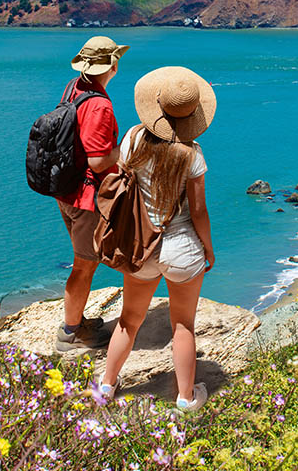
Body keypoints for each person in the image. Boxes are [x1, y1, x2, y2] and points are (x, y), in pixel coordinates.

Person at [99, 66, 216, 412]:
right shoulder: (192, 155)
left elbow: (124, 182)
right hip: (183, 251)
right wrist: (208, 250)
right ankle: (185, 398)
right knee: (183, 324)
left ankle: (107, 386)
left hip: (142, 247)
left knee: (129, 319)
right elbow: (198, 213)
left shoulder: (134, 139)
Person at [55, 36, 129, 353]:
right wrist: (124, 149)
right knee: (84, 266)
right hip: (87, 199)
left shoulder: (75, 87)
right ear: (112, 65)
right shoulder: (99, 104)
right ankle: (70, 333)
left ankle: (78, 320)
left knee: (84, 262)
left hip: (66, 189)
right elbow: (98, 160)